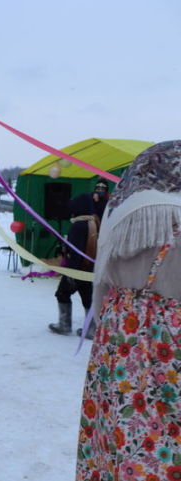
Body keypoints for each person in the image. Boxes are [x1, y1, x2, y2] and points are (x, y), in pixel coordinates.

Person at [75, 140, 181, 481]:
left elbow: (100, 282)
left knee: (119, 429)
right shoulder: (175, 216)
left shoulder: (118, 211)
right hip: (170, 338)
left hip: (118, 338)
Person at [48, 193, 100, 337]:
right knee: (88, 298)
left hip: (76, 270)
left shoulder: (78, 226)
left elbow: (76, 252)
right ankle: (91, 329)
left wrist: (70, 274)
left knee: (62, 294)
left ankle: (64, 326)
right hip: (88, 269)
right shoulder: (93, 223)